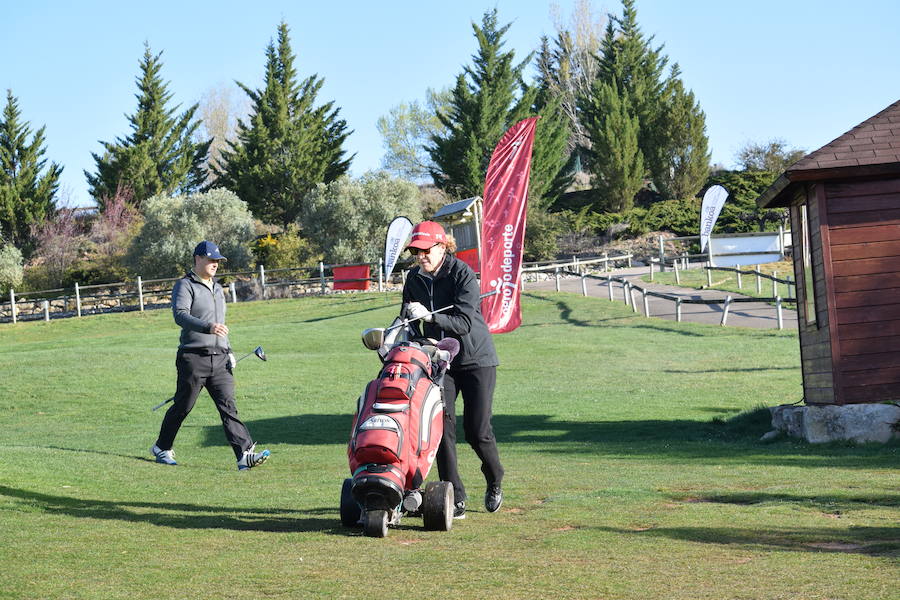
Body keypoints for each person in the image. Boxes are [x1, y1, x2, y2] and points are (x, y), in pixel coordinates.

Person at [401, 221, 504, 519]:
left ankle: (495, 478)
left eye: (425, 250)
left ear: (442, 246)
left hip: (476, 360)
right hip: (441, 361)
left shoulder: (461, 274)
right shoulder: (414, 278)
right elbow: (408, 319)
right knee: (442, 429)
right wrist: (408, 333)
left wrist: (431, 315)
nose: (421, 256)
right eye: (416, 251)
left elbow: (464, 323)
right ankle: (453, 495)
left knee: (477, 431)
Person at [150, 241, 270, 471]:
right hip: (193, 357)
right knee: (183, 406)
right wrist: (208, 327)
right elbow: (181, 315)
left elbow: (221, 325)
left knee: (229, 407)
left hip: (220, 358)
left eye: (218, 261)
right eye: (211, 259)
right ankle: (162, 447)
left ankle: (244, 455)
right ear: (198, 258)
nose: (216, 264)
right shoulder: (185, 285)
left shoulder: (217, 288)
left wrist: (230, 350)